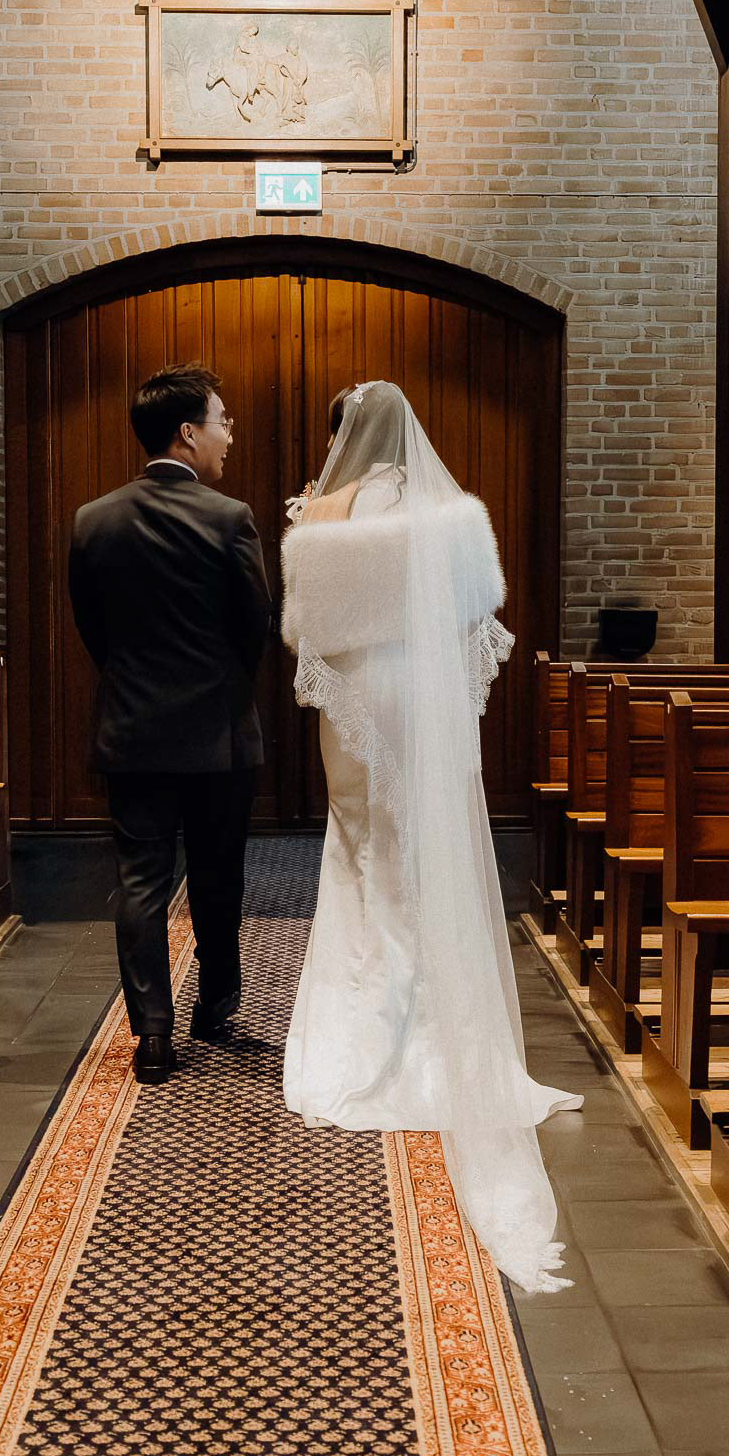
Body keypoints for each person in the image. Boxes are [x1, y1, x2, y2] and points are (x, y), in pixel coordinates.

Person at [280, 380, 582, 1292]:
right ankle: (438, 1028)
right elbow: (477, 609)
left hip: (359, 699)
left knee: (364, 848)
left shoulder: (320, 513)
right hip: (422, 696)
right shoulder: (451, 515)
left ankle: (367, 1030)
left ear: (343, 439)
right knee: (425, 851)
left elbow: (306, 628)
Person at [67, 363, 272, 1086]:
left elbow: (93, 627)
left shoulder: (93, 519)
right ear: (187, 433)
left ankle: (152, 1035)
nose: (230, 435)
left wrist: (137, 685)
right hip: (217, 734)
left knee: (141, 882)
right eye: (223, 421)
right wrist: (219, 689)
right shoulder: (229, 518)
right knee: (219, 876)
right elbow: (256, 627)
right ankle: (215, 1008)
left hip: (133, 732)